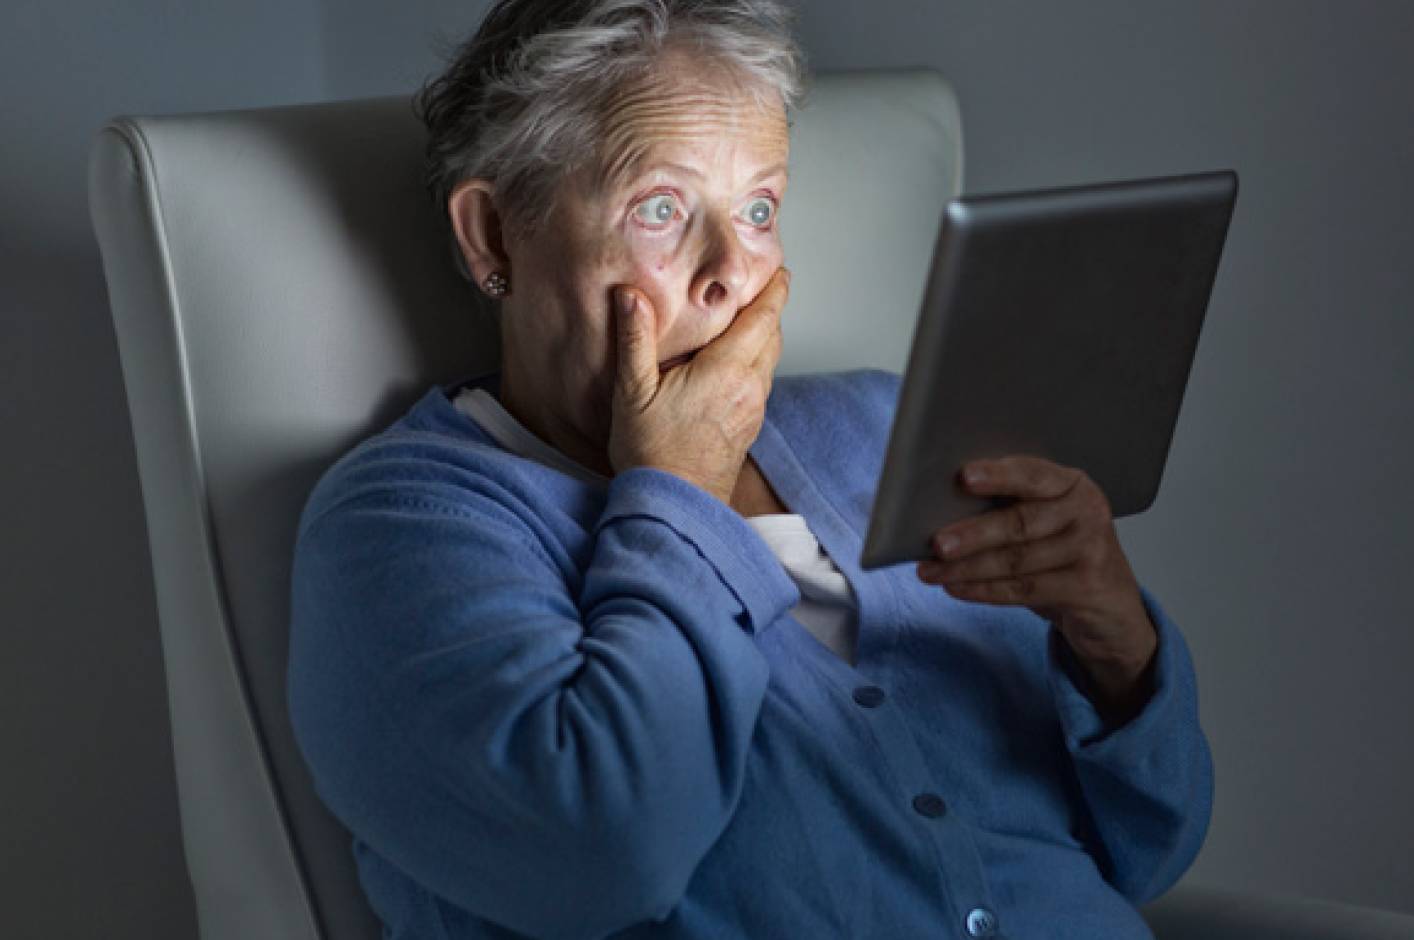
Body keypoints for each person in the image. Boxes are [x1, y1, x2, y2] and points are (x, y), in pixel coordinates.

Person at [286, 0, 1214, 937]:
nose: (733, 268)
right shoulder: (399, 526)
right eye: (661, 207)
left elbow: (1144, 857)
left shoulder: (882, 423)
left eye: (760, 207)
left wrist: (1115, 646)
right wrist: (680, 486)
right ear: (492, 235)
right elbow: (605, 859)